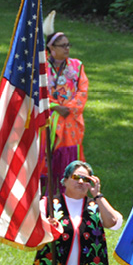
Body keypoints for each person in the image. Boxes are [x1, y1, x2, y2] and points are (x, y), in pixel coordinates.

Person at [41, 30, 89, 197]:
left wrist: (69, 108)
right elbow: (37, 92)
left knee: (69, 156)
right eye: (63, 46)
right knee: (47, 154)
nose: (67, 48)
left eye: (68, 45)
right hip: (48, 118)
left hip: (71, 119)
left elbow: (83, 90)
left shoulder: (77, 66)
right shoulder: (41, 67)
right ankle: (46, 193)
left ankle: (68, 191)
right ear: (51, 48)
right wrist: (54, 106)